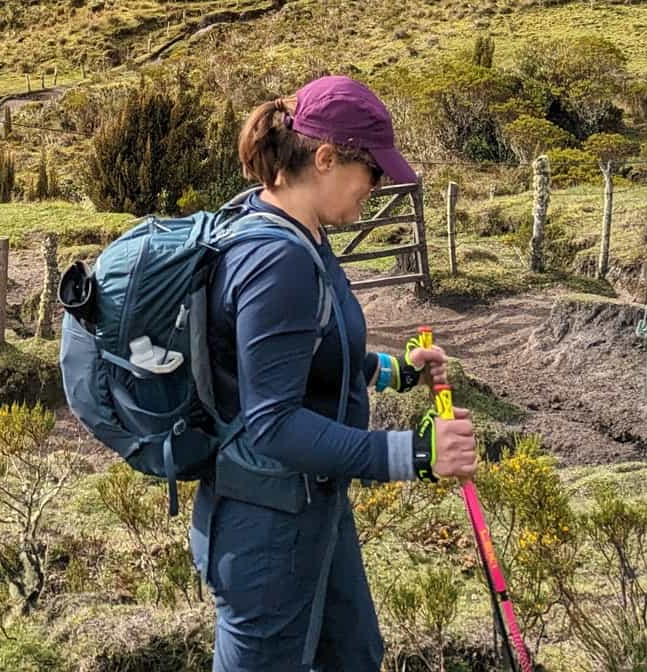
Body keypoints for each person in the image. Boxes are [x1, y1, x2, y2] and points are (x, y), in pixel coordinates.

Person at [194, 75, 478, 672]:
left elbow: (298, 358)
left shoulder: (300, 231)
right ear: (325, 159)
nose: (376, 188)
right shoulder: (279, 260)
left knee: (353, 654)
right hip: (266, 528)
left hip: (310, 505)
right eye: (372, 172)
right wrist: (416, 454)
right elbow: (273, 423)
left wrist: (393, 371)